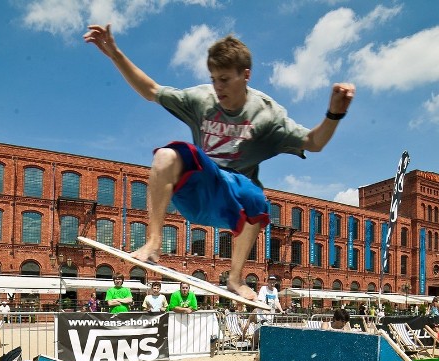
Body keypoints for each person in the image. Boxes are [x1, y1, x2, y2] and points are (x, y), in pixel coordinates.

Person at [84, 25, 354, 301]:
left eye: (224, 79)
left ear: (245, 75)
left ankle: (235, 279)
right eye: (213, 78)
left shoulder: (267, 114)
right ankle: (153, 243)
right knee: (166, 154)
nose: (218, 87)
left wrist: (334, 114)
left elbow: (314, 142)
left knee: (257, 196)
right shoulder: (202, 99)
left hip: (233, 203)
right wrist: (115, 54)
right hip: (198, 189)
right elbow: (151, 90)